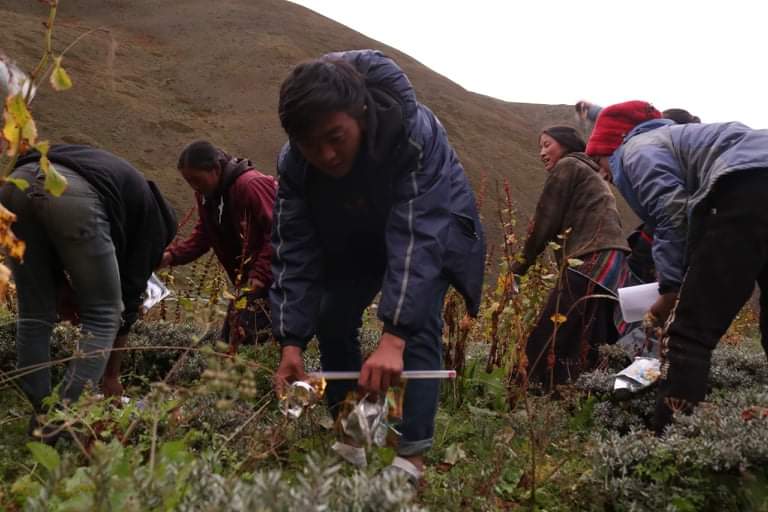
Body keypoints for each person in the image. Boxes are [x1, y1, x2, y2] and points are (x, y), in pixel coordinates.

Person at [271, 50, 485, 481]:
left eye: (336, 137)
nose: (327, 155)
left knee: (417, 323)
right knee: (331, 318)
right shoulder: (295, 165)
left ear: (361, 113)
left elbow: (418, 234)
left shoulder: (411, 134)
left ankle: (411, 457)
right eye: (311, 146)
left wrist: (393, 337)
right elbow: (296, 248)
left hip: (434, 225)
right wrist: (291, 341)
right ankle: (356, 436)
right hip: (359, 229)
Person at [585, 100, 768, 432]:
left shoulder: (636, 151)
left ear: (612, 148)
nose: (601, 173)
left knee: (688, 332)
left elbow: (671, 213)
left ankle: (673, 441)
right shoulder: (670, 138)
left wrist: (670, 290)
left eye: (598, 161)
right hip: (757, 170)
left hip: (749, 183)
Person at [0, 145, 177, 420]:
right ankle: (63, 421)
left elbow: (53, 254)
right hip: (72, 195)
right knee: (103, 314)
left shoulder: (126, 192)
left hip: (16, 184)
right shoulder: (155, 226)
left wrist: (62, 288)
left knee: (34, 313)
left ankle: (41, 412)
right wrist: (111, 376)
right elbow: (126, 301)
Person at [511, 126, 629, 389]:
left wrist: (519, 267)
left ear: (565, 145)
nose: (542, 153)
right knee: (587, 331)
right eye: (540, 147)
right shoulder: (592, 173)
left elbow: (545, 220)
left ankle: (524, 389)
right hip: (612, 261)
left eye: (547, 145)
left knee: (554, 325)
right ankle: (579, 393)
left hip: (591, 255)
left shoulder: (568, 166)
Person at [160, 141, 277, 349]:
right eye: (189, 182)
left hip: (274, 286)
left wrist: (259, 276)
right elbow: (204, 235)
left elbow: (280, 233)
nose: (194, 187)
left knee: (244, 348)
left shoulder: (250, 185)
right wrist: (170, 256)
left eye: (197, 180)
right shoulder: (208, 195)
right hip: (248, 287)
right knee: (229, 346)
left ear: (215, 169)